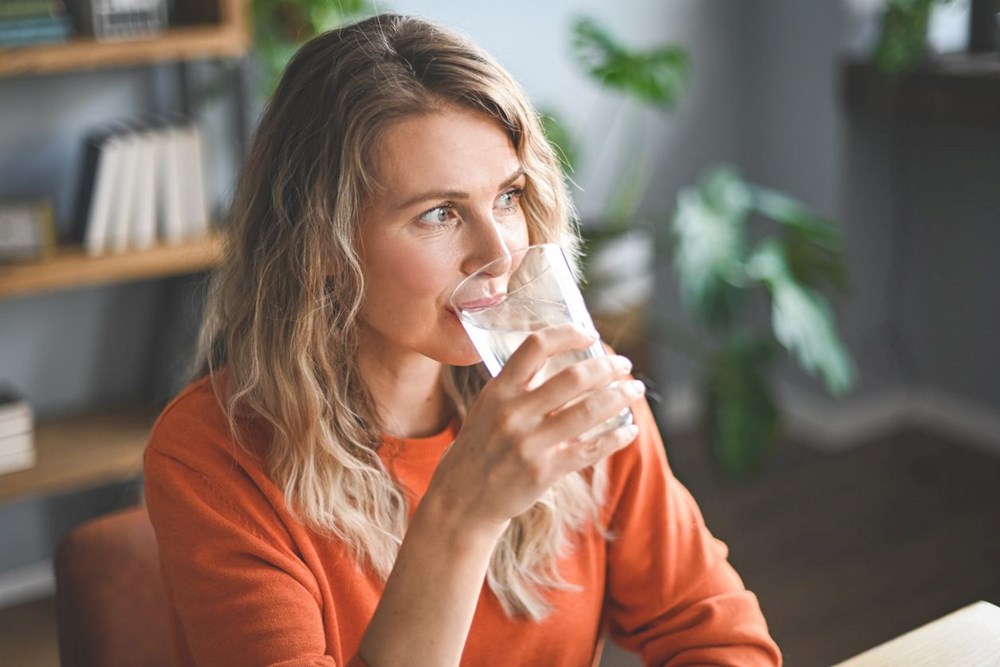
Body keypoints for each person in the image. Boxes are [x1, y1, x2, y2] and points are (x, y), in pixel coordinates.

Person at [144, 13, 781, 667]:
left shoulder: (569, 390)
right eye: (440, 213)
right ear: (322, 246)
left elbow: (718, 638)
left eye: (508, 196)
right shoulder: (211, 459)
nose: (500, 251)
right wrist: (461, 516)